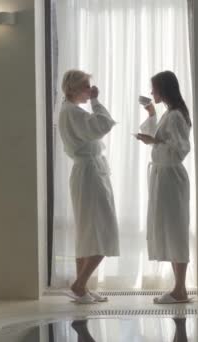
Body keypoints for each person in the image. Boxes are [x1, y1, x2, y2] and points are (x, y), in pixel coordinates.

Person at [58, 69, 120, 304]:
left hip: (87, 172)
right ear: (73, 88)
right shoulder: (73, 112)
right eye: (85, 86)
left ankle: (82, 287)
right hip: (90, 175)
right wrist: (95, 100)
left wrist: (91, 100)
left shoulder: (69, 111)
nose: (89, 90)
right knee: (102, 228)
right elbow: (103, 124)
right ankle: (79, 284)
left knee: (87, 229)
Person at [136, 70, 192, 304]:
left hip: (170, 177)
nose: (151, 92)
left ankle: (180, 290)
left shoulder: (177, 115)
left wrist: (155, 141)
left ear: (164, 89)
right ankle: (178, 288)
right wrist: (151, 113)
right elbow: (161, 136)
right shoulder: (170, 113)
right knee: (171, 229)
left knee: (176, 230)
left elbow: (181, 149)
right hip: (163, 177)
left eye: (154, 89)